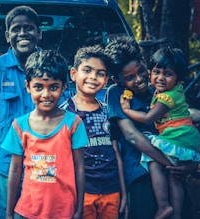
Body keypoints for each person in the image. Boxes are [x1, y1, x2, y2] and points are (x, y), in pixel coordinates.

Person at [3, 50, 88, 219]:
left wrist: (79, 209)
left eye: (54, 87)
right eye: (39, 87)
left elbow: (80, 168)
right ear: (27, 86)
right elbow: (15, 170)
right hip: (27, 211)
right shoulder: (19, 126)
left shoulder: (74, 124)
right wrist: (8, 213)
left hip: (64, 212)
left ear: (64, 87)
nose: (46, 94)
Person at [120, 47, 200, 219]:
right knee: (175, 179)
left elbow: (149, 118)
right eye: (156, 72)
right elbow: (131, 135)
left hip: (176, 138)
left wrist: (127, 111)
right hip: (183, 140)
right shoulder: (170, 90)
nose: (160, 78)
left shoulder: (165, 95)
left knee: (152, 161)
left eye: (168, 74)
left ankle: (164, 206)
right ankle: (176, 214)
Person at [0, 5, 42, 219]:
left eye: (29, 28)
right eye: (16, 29)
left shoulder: (51, 66)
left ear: (39, 33)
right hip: (5, 163)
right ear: (8, 36)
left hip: (44, 161)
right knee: (7, 214)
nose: (23, 33)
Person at [104, 36, 175, 219]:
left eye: (141, 71)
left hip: (172, 169)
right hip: (140, 172)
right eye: (129, 77)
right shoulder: (116, 93)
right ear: (117, 80)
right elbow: (131, 135)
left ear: (144, 62)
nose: (139, 79)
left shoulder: (159, 90)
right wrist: (166, 162)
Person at [59, 45, 127, 219]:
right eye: (87, 70)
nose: (93, 77)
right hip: (82, 192)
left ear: (106, 81)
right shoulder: (64, 113)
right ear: (73, 74)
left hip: (112, 190)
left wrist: (123, 192)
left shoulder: (109, 111)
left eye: (100, 73)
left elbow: (116, 154)